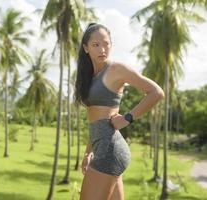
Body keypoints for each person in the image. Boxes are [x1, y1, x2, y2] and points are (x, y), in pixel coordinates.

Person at [74, 23, 164, 200]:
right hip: (102, 150)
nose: (102, 49)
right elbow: (94, 121)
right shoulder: (88, 78)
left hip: (111, 151)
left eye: (106, 44)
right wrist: (88, 152)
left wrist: (127, 118)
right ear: (86, 48)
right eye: (96, 45)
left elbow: (156, 92)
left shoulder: (116, 69)